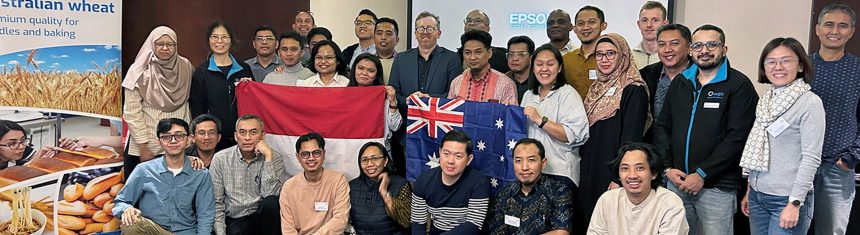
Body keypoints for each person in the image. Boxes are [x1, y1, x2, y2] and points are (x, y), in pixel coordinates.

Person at [652, 24, 758, 235]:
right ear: (691, 50)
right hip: (677, 182)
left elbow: (737, 138)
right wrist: (667, 168)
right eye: (698, 45)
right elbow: (662, 126)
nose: (705, 50)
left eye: (712, 44)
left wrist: (701, 174)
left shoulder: (738, 85)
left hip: (717, 187)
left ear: (724, 49)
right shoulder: (681, 82)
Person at [738, 37, 823, 235]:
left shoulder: (810, 103)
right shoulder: (765, 101)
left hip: (787, 199)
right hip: (759, 196)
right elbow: (759, 149)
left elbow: (811, 158)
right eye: (771, 61)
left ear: (800, 65)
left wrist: (795, 203)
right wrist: (751, 190)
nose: (778, 67)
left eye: (786, 60)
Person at [578, 33, 649, 232]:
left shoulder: (633, 89)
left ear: (623, 56)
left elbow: (632, 139)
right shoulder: (596, 88)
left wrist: (619, 177)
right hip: (590, 168)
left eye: (611, 53)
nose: (604, 59)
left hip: (612, 173)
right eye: (599, 55)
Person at [112, 118, 215, 235]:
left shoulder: (200, 173)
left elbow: (205, 213)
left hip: (186, 231)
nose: (173, 141)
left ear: (189, 140)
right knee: (131, 223)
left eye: (179, 136)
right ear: (159, 141)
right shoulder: (144, 170)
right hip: (153, 230)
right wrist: (126, 209)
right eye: (166, 137)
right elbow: (121, 201)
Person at [810, 4, 859, 235]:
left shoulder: (858, 69)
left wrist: (852, 157)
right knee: (788, 229)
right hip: (798, 165)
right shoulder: (800, 67)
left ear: (852, 31)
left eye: (843, 26)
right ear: (818, 29)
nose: (835, 31)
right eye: (829, 24)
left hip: (837, 168)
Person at [122, 26, 194, 177]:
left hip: (179, 142)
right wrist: (143, 146)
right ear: (151, 45)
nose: (165, 48)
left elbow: (192, 100)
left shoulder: (185, 66)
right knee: (142, 193)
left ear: (176, 46)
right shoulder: (138, 70)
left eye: (170, 44)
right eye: (159, 44)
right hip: (147, 143)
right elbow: (131, 112)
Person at [520, 43, 589, 187]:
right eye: (539, 64)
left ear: (559, 68)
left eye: (550, 64)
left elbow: (573, 135)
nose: (544, 69)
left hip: (559, 172)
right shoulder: (528, 95)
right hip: (531, 172)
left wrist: (540, 120)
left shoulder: (568, 94)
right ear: (533, 68)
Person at [588, 142, 689, 234]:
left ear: (653, 173)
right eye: (625, 168)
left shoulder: (670, 203)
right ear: (618, 174)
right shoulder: (608, 199)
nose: (632, 175)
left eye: (640, 168)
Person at [210, 115, 285, 235]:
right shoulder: (220, 159)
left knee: (271, 202)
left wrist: (268, 157)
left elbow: (270, 195)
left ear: (262, 136)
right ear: (235, 136)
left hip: (262, 218)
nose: (247, 138)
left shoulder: (274, 157)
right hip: (236, 220)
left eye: (253, 132)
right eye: (242, 133)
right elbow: (216, 203)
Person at [189, 21, 254, 152]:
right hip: (214, 140)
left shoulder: (244, 69)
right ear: (209, 40)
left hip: (242, 138)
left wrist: (250, 86)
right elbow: (197, 108)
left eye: (224, 37)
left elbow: (253, 102)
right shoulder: (202, 72)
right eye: (215, 37)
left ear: (231, 41)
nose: (219, 41)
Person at [410, 130, 490, 234]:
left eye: (458, 156)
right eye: (446, 154)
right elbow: (417, 222)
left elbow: (473, 225)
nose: (450, 161)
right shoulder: (423, 180)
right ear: (440, 152)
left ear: (469, 159)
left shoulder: (479, 183)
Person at [487, 138, 573, 234]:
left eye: (531, 160)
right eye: (518, 161)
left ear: (543, 163)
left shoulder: (559, 191)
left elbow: (561, 232)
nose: (524, 167)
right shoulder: (504, 194)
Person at [389, 11, 462, 114]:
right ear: (415, 34)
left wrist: (430, 99)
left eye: (430, 28)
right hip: (406, 120)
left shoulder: (452, 58)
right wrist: (406, 101)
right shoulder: (401, 59)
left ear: (439, 33)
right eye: (420, 28)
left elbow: (455, 93)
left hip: (438, 120)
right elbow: (393, 91)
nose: (425, 32)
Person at [280, 132, 350, 234]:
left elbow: (340, 219)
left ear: (324, 154)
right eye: (305, 154)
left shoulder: (338, 180)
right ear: (297, 157)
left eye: (316, 153)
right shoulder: (288, 187)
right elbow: (288, 229)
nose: (311, 158)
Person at [639, 24, 693, 142]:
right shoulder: (646, 75)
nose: (667, 50)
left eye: (674, 43)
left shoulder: (701, 75)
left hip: (689, 148)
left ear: (689, 47)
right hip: (654, 149)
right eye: (662, 44)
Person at [348, 142, 411, 234]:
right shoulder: (352, 186)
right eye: (364, 160)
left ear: (385, 161)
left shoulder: (400, 183)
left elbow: (406, 221)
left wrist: (385, 194)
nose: (370, 164)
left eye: (375, 158)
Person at [348, 53, 402, 156]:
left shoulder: (384, 96)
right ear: (354, 69)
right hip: (350, 150)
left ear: (376, 75)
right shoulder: (343, 95)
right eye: (360, 68)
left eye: (370, 71)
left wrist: (392, 102)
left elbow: (395, 126)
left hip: (380, 151)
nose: (364, 73)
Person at [448, 30, 518, 105]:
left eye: (478, 52)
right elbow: (447, 114)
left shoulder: (505, 84)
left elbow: (511, 115)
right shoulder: (456, 82)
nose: (472, 57)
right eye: (467, 52)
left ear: (489, 53)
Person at [564, 6, 608, 99]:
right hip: (571, 113)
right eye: (580, 23)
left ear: (603, 26)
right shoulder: (566, 60)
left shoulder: (611, 58)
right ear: (575, 29)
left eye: (591, 22)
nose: (585, 27)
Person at [632, 1, 669, 69]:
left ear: (665, 24)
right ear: (639, 24)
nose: (649, 25)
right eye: (644, 20)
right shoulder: (630, 57)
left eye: (655, 20)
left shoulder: (670, 55)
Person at [505, 36, 535, 102]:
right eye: (511, 54)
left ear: (531, 58)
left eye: (521, 54)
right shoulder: (503, 80)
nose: (515, 59)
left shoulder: (540, 80)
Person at [374, 17, 400, 84]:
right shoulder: (367, 61)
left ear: (397, 40)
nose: (383, 37)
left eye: (388, 34)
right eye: (379, 33)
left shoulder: (403, 61)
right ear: (374, 38)